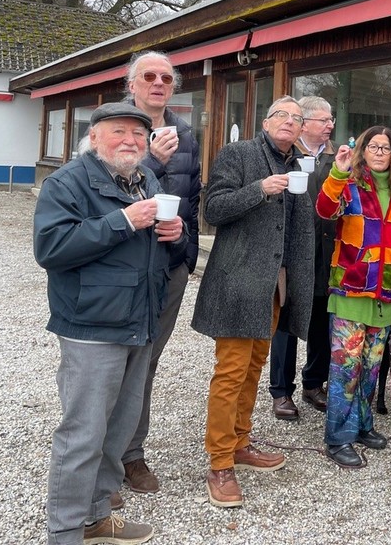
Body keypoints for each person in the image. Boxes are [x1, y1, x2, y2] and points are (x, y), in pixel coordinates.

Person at [35, 102, 185, 545]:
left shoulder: (146, 180)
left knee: (118, 428)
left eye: (139, 135)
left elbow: (158, 250)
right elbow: (51, 248)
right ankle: (64, 531)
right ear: (94, 137)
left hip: (139, 319)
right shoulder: (68, 182)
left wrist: (176, 236)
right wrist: (121, 221)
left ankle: (98, 514)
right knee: (83, 433)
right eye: (119, 131)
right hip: (92, 325)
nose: (130, 141)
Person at [191, 96, 315, 508]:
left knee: (253, 368)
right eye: (283, 116)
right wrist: (258, 190)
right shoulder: (238, 153)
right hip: (238, 281)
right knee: (230, 371)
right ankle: (220, 462)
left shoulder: (298, 164)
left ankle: (240, 443)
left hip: (274, 286)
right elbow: (214, 209)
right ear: (266, 121)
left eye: (297, 119)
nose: (290, 123)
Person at [120, 50, 202, 495]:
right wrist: (149, 159)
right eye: (148, 76)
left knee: (147, 363)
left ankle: (131, 454)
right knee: (111, 363)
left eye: (166, 78)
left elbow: (192, 199)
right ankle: (99, 463)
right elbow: (98, 193)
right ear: (131, 84)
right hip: (121, 268)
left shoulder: (185, 134)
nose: (158, 83)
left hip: (167, 268)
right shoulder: (111, 129)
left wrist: (186, 253)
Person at [315, 126, 391, 467]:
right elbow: (325, 209)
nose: (379, 152)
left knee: (372, 366)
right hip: (351, 288)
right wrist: (337, 172)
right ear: (363, 150)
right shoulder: (349, 185)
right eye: (373, 146)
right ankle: (338, 438)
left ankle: (361, 425)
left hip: (384, 294)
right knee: (347, 367)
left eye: (385, 148)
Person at [267, 95, 337, 419]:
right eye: (324, 120)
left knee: (322, 321)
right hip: (292, 253)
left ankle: (313, 383)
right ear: (305, 124)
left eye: (331, 120)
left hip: (328, 253)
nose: (330, 125)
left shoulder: (339, 159)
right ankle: (281, 392)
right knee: (285, 323)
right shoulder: (285, 156)